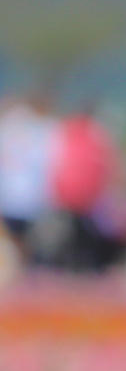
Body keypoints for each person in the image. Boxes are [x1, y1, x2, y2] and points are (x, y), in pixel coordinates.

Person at [47, 104, 126, 273]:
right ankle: (88, 264)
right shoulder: (97, 133)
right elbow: (106, 164)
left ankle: (73, 264)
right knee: (89, 231)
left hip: (68, 191)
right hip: (88, 193)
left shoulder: (66, 131)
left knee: (75, 229)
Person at [0, 94, 60, 262]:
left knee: (16, 236)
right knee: (27, 238)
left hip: (12, 195)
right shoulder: (41, 129)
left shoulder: (8, 126)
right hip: (32, 195)